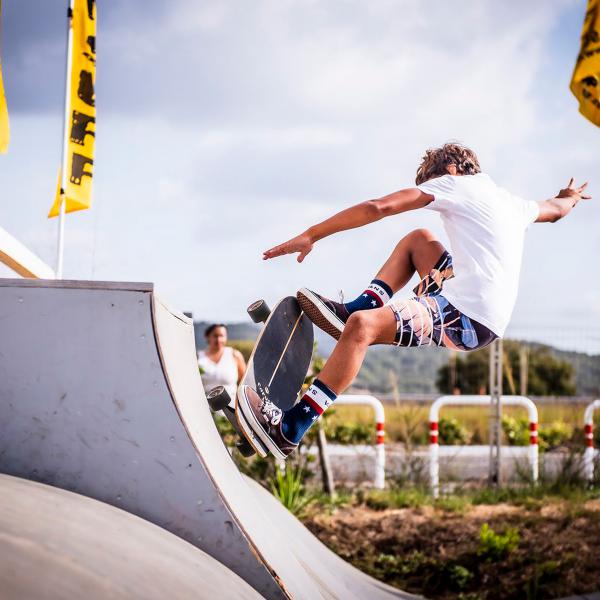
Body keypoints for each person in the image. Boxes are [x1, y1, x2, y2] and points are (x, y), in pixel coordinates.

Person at [237, 142, 591, 460]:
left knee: (364, 328)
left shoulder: (454, 183)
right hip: (480, 312)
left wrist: (311, 234)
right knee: (419, 240)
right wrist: (571, 195)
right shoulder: (516, 204)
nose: (431, 195)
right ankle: (359, 306)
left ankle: (291, 427)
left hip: (462, 315)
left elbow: (380, 206)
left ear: (451, 170)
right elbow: (556, 208)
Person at [198, 324, 246, 403]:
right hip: (205, 409)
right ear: (207, 337)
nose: (219, 339)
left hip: (232, 410)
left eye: (222, 336)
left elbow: (244, 383)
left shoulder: (235, 355)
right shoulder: (198, 358)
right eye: (215, 336)